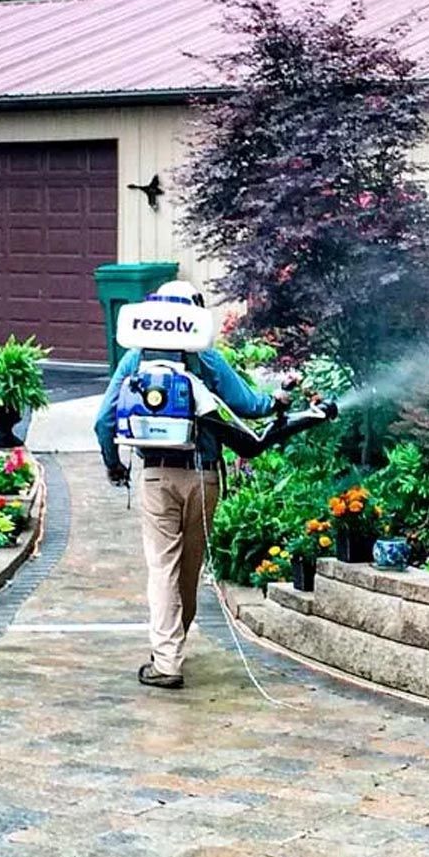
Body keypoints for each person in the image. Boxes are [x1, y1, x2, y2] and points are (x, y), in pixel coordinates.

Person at [94, 280, 294, 690]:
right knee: (188, 565)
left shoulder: (136, 358)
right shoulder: (207, 360)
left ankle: (167, 660)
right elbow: (248, 406)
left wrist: (114, 466)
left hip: (157, 474)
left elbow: (104, 421)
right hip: (205, 476)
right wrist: (279, 400)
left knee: (161, 565)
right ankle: (174, 642)